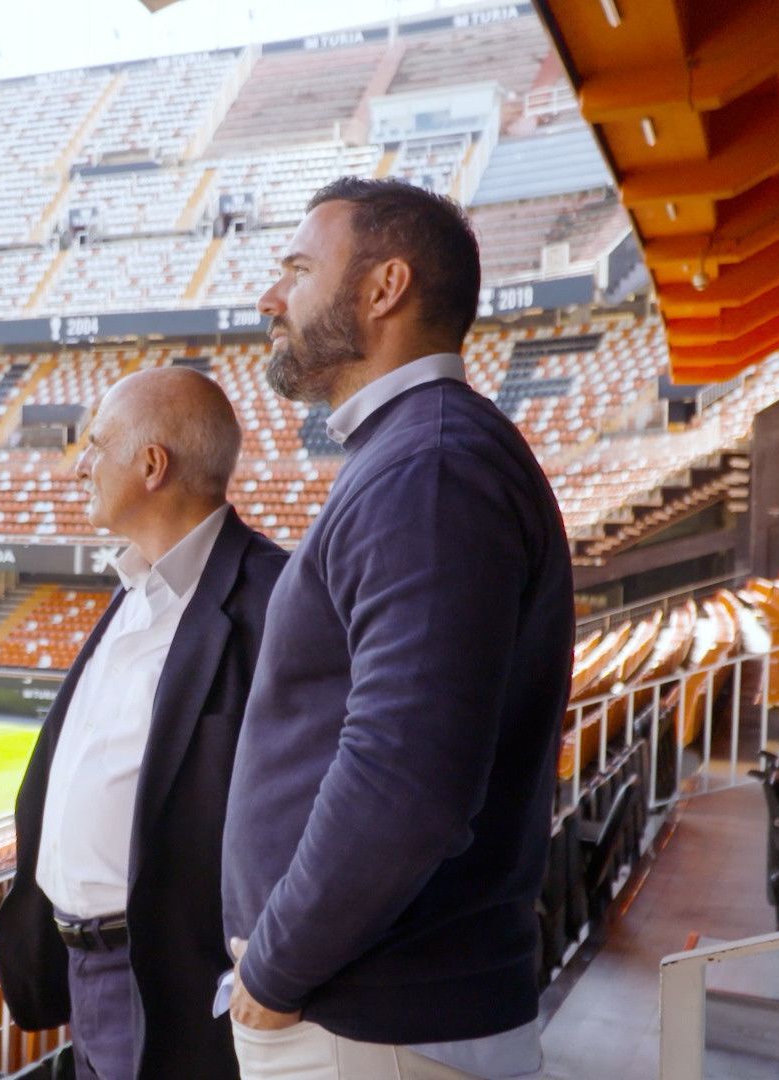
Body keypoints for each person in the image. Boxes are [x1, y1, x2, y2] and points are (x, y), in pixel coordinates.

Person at [219, 177, 574, 1080]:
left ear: (384, 289)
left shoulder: (433, 466)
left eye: (298, 268)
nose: (271, 297)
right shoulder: (418, 452)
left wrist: (274, 968)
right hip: (372, 1019)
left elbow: (405, 778)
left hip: (374, 1028)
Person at [0, 366, 289, 1079]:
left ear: (152, 465)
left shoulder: (278, 601)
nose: (80, 467)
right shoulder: (134, 589)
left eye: (96, 445)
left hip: (173, 984)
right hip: (83, 974)